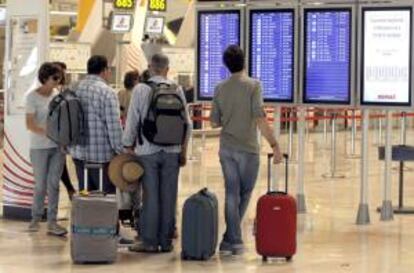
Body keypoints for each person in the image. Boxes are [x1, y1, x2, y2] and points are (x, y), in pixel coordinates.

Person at [210, 45, 283, 256]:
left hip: (227, 148)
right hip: (248, 149)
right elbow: (260, 118)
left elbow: (214, 122)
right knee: (244, 193)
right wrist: (275, 145)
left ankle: (230, 240)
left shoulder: (219, 88)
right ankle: (234, 239)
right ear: (245, 61)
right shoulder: (254, 85)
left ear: (226, 65)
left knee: (231, 193)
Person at [123, 53, 191, 253]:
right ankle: (166, 241)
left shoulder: (141, 89)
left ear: (150, 68)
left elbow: (132, 120)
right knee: (169, 196)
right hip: (172, 151)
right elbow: (187, 124)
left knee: (150, 196)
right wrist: (183, 151)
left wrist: (127, 145)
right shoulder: (177, 88)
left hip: (148, 151)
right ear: (167, 69)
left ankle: (149, 241)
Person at [69, 55, 123, 194]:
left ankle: (85, 216)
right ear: (104, 70)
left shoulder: (74, 88)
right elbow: (114, 127)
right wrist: (121, 151)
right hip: (101, 156)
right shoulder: (107, 92)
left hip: (78, 152)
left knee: (85, 194)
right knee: (105, 197)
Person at [26, 62, 67, 236]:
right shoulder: (32, 97)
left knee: (54, 185)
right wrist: (49, 133)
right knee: (41, 186)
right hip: (39, 147)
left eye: (59, 78)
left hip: (57, 147)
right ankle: (35, 218)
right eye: (54, 78)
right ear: (44, 78)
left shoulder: (57, 95)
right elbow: (30, 124)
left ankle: (52, 222)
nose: (58, 81)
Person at [52, 61, 76, 200]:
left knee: (61, 165)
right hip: (53, 136)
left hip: (59, 136)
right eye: (62, 72)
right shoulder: (53, 92)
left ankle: (70, 190)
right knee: (59, 166)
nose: (64, 75)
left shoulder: (61, 90)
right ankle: (70, 190)